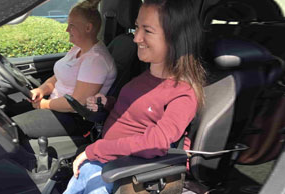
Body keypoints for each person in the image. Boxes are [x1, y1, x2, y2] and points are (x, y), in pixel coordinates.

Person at [63, 0, 206, 193]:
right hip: (100, 162)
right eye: (137, 27)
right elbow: (134, 109)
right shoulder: (145, 76)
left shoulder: (183, 93)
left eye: (147, 31)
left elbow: (156, 143)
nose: (136, 37)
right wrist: (107, 103)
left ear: (175, 38)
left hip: (123, 173)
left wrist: (95, 151)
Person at [12, 0, 117, 138]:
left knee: (10, 130)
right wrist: (41, 90)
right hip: (55, 105)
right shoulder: (78, 48)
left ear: (88, 28)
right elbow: (58, 77)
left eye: (71, 25)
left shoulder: (95, 60)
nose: (67, 29)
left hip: (72, 117)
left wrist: (44, 104)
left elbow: (76, 103)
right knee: (6, 111)